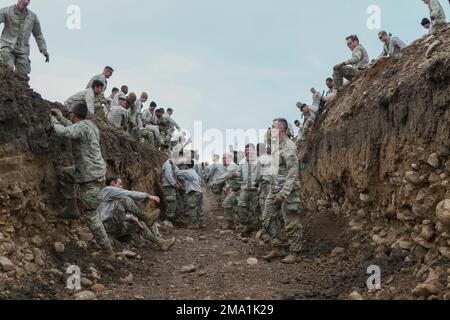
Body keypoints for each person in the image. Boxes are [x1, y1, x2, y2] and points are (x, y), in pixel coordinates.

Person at [49, 103, 114, 259]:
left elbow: (65, 133)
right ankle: (71, 208)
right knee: (65, 174)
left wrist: (54, 121)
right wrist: (61, 118)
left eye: (70, 114)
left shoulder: (82, 127)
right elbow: (73, 128)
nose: (69, 115)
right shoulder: (90, 125)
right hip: (87, 171)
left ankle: (108, 251)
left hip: (91, 177)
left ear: (74, 114)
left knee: (91, 214)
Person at [262, 118, 303, 264]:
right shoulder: (275, 145)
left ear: (281, 129)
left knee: (291, 221)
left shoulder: (289, 147)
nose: (270, 129)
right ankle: (277, 247)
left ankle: (295, 252)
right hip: (274, 188)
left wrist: (283, 193)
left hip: (288, 190)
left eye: (273, 127)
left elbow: (293, 173)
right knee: (267, 217)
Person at [98, 177, 175, 251]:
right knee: (125, 199)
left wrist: (132, 218)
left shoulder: (113, 198)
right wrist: (148, 196)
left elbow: (114, 214)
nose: (121, 187)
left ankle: (161, 243)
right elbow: (128, 193)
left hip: (111, 228)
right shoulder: (108, 190)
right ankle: (145, 217)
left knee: (137, 223)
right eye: (120, 184)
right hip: (105, 225)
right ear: (112, 183)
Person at [0, 0, 49, 81]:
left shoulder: (32, 17)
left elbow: (38, 35)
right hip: (8, 47)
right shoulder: (7, 11)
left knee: (23, 76)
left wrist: (43, 49)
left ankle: (17, 91)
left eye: (28, 0)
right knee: (7, 70)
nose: (26, 1)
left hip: (23, 51)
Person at [236, 144, 261, 235]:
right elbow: (239, 173)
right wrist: (236, 174)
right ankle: (247, 224)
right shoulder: (242, 162)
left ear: (254, 150)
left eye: (250, 149)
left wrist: (260, 186)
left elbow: (262, 175)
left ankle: (258, 227)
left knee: (257, 208)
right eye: (246, 150)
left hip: (255, 189)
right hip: (245, 188)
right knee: (241, 206)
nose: (248, 151)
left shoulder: (259, 161)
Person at [212, 153, 241, 230]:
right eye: (222, 158)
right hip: (236, 191)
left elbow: (224, 177)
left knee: (241, 208)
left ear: (229, 158)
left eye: (224, 158)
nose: (222, 160)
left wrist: (213, 183)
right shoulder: (230, 167)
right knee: (227, 204)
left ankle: (247, 224)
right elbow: (232, 179)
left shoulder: (232, 166)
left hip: (241, 191)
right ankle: (231, 224)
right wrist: (228, 187)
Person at [176, 161, 204, 229]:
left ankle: (193, 224)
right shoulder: (193, 172)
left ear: (186, 165)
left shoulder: (187, 172)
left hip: (193, 192)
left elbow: (177, 172)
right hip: (199, 192)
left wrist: (174, 165)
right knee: (198, 208)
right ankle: (200, 223)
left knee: (192, 208)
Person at [162, 153, 182, 223]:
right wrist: (175, 184)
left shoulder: (173, 164)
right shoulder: (168, 164)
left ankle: (174, 219)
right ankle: (168, 220)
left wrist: (177, 182)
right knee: (172, 202)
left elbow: (176, 172)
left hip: (172, 186)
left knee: (177, 202)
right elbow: (169, 176)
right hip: (168, 186)